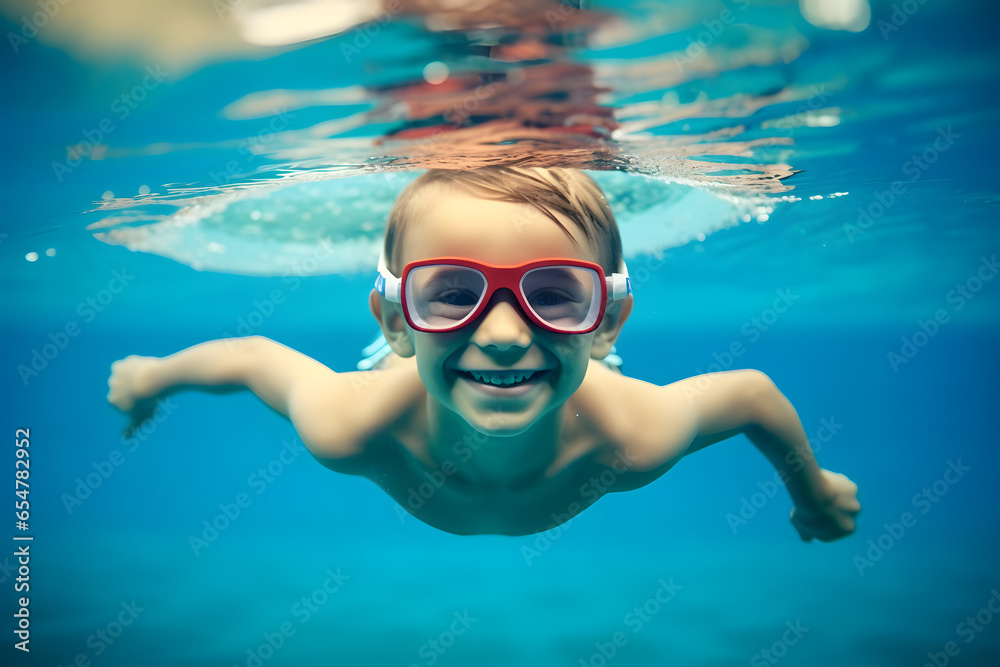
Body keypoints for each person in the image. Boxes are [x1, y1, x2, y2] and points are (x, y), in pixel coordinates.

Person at [106, 166, 860, 538]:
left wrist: (812, 488)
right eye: (453, 291)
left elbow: (754, 394)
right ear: (394, 319)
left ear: (610, 323)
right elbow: (251, 358)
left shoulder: (635, 433)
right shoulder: (353, 422)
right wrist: (149, 378)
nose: (502, 334)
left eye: (558, 291)